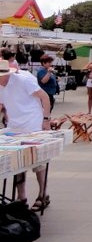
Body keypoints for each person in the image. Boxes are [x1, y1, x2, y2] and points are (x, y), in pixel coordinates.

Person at [0, 59, 52, 210]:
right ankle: (21, 197)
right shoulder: (1, 86)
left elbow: (44, 97)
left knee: (38, 161)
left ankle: (43, 194)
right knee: (17, 161)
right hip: (15, 126)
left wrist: (46, 119)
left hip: (32, 123)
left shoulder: (23, 80)